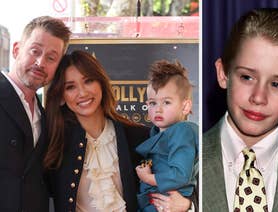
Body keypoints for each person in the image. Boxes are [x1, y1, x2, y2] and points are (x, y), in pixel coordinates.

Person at [44, 50, 194, 212]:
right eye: (70, 87)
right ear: (61, 96)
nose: (82, 93)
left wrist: (188, 205)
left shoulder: (139, 138)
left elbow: (184, 179)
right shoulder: (53, 143)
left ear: (101, 83)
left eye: (88, 81)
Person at [203, 8, 278, 212]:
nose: (258, 97)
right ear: (223, 73)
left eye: (277, 84)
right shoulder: (183, 162)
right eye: (247, 77)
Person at [0, 16, 70, 212]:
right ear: (16, 50)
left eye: (51, 57)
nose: (40, 62)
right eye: (35, 51)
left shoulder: (46, 116)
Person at [135, 60, 199, 211]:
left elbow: (180, 175)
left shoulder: (183, 131)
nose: (158, 109)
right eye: (152, 103)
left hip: (168, 204)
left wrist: (148, 178)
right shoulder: (155, 132)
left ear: (185, 106)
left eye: (167, 102)